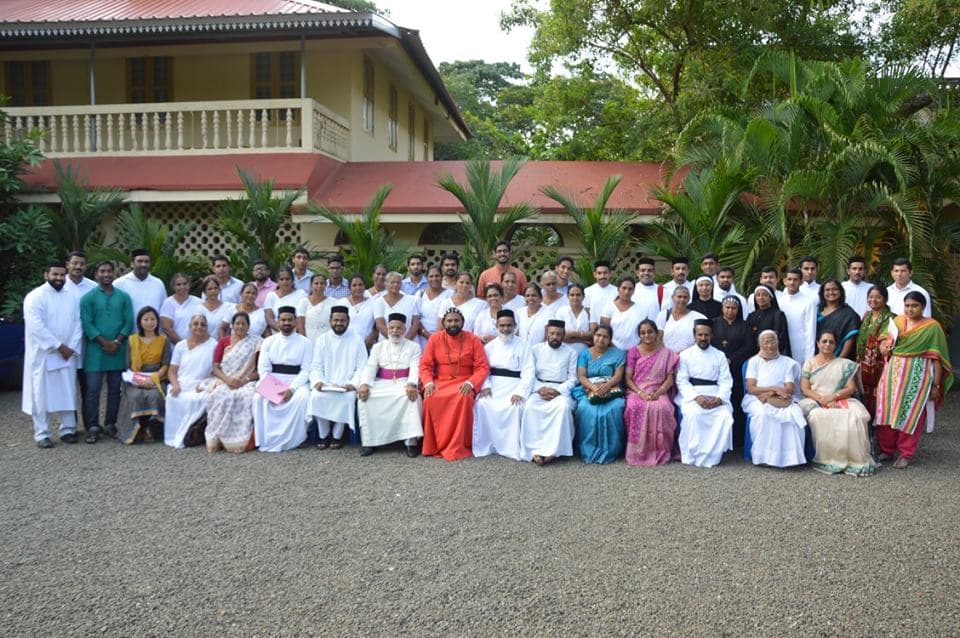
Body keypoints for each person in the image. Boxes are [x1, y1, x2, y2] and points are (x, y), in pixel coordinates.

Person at [873, 291, 953, 468]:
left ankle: (905, 453)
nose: (910, 309)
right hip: (892, 374)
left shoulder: (932, 327)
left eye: (914, 306)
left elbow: (937, 358)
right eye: (907, 305)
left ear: (923, 307)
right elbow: (884, 340)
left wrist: (936, 385)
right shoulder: (897, 321)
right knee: (886, 410)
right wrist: (883, 347)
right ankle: (887, 449)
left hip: (917, 376)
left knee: (911, 412)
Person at [799, 331, 878, 476]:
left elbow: (850, 388)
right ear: (818, 344)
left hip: (840, 398)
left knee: (858, 415)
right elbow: (804, 389)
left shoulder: (844, 364)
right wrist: (822, 399)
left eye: (831, 342)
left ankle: (855, 459)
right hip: (815, 399)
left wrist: (833, 397)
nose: (827, 344)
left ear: (836, 345)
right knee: (818, 415)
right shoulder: (809, 363)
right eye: (824, 341)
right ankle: (827, 459)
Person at [22, 261, 82, 448]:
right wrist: (58, 346)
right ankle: (42, 433)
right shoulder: (35, 296)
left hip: (67, 354)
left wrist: (71, 347)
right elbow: (36, 326)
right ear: (46, 275)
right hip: (44, 355)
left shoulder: (71, 296)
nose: (59, 278)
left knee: (68, 391)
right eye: (55, 274)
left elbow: (78, 323)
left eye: (62, 275)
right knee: (41, 395)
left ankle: (68, 430)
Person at [420, 307, 490, 461]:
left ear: (462, 322)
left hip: (465, 380)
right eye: (449, 321)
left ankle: (458, 445)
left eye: (456, 320)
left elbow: (482, 367)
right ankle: (433, 445)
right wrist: (428, 383)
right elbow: (425, 366)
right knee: (430, 398)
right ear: (444, 323)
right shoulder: (434, 339)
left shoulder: (473, 339)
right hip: (441, 381)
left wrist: (471, 383)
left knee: (463, 398)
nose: (453, 324)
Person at [80, 261, 134, 443]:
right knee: (93, 390)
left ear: (114, 274)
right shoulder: (88, 298)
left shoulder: (124, 297)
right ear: (96, 275)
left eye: (109, 271)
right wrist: (104, 342)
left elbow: (129, 321)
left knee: (115, 390)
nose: (106, 274)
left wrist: (117, 341)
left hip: (118, 349)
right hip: (96, 351)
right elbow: (87, 323)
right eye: (102, 271)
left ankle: (111, 423)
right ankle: (92, 426)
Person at [357, 313, 423, 457]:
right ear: (387, 329)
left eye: (398, 328)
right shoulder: (378, 347)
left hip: (404, 382)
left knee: (412, 398)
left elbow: (415, 367)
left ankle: (410, 442)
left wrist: (412, 384)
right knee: (365, 398)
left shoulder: (414, 346)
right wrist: (364, 384)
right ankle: (370, 442)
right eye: (391, 327)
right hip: (381, 382)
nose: (394, 331)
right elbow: (370, 367)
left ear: (404, 330)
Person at [473, 309, 534, 461]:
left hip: (515, 385)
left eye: (509, 325)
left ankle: (511, 448)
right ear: (496, 326)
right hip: (493, 384)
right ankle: (488, 445)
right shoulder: (489, 347)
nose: (505, 329)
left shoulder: (524, 345)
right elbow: (483, 369)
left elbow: (529, 371)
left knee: (516, 407)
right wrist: (485, 386)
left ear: (515, 326)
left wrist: (520, 392)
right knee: (482, 403)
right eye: (502, 326)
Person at [253, 306, 313, 452]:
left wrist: (291, 389)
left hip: (296, 381)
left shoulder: (306, 342)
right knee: (258, 398)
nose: (286, 323)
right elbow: (263, 369)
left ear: (295, 322)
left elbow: (306, 370)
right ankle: (265, 439)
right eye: (283, 320)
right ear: (278, 321)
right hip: (272, 381)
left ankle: (298, 439)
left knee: (303, 398)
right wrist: (274, 389)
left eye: (290, 320)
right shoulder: (268, 341)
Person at [742, 330, 807, 468]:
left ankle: (790, 458)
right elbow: (751, 388)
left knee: (793, 414)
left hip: (781, 398)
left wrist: (772, 393)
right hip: (756, 398)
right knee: (763, 414)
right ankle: (764, 457)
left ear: (777, 343)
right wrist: (774, 388)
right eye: (766, 342)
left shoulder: (787, 362)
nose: (770, 346)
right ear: (760, 344)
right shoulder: (754, 361)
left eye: (773, 342)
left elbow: (789, 388)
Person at [675, 320, 734, 467]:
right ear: (694, 335)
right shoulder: (685, 355)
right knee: (694, 414)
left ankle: (713, 455)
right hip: (692, 395)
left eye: (706, 335)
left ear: (712, 335)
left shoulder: (720, 355)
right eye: (700, 335)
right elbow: (682, 381)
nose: (703, 338)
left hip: (715, 394)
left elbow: (726, 381)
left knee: (724, 415)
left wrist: (719, 399)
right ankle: (694, 453)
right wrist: (696, 397)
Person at [308, 306, 368, 449]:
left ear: (348, 321)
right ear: (330, 320)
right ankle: (323, 434)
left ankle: (337, 435)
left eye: (342, 320)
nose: (339, 323)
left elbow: (362, 366)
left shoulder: (357, 339)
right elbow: (316, 365)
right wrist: (318, 381)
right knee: (316, 396)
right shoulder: (322, 339)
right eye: (335, 320)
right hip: (326, 383)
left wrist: (353, 384)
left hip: (347, 385)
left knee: (347, 398)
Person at [521, 319, 577, 465]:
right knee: (530, 407)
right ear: (547, 333)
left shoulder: (571, 352)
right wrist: (540, 389)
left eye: (558, 334)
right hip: (539, 389)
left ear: (563, 335)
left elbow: (573, 378)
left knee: (563, 408)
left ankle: (555, 450)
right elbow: (529, 374)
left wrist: (557, 390)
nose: (555, 337)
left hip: (561, 391)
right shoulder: (536, 349)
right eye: (552, 333)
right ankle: (534, 449)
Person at [624, 319, 680, 466]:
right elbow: (628, 378)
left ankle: (661, 449)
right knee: (634, 407)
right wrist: (640, 393)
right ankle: (638, 452)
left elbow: (670, 379)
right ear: (639, 335)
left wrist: (659, 392)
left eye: (650, 332)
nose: (646, 335)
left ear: (656, 333)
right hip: (637, 390)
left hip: (659, 390)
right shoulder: (634, 352)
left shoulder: (666, 353)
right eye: (642, 333)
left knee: (664, 408)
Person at [204, 311, 261, 453]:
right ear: (232, 325)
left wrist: (244, 380)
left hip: (247, 381)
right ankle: (217, 438)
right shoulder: (224, 342)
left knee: (245, 397)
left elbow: (259, 370)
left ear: (248, 326)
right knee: (218, 396)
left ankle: (237, 440)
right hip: (225, 380)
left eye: (243, 324)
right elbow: (216, 367)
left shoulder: (256, 343)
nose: (240, 326)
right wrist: (227, 379)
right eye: (237, 323)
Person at [572, 324, 626, 464]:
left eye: (605, 336)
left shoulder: (618, 354)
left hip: (611, 389)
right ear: (593, 336)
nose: (601, 339)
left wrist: (607, 386)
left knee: (616, 407)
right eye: (598, 335)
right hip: (588, 389)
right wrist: (594, 388)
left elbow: (618, 376)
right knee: (586, 408)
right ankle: (588, 449)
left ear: (610, 339)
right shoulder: (584, 354)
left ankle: (612, 450)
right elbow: (582, 376)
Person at [116, 306, 171, 445]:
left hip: (157, 377)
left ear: (157, 321)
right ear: (140, 322)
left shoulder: (163, 340)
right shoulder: (132, 340)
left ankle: (151, 429)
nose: (149, 322)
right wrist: (139, 380)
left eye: (153, 319)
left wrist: (154, 378)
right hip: (136, 377)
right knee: (136, 395)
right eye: (146, 319)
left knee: (155, 395)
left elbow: (166, 364)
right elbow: (129, 365)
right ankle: (137, 429)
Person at [163, 314, 216, 448]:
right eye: (195, 324)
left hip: (200, 385)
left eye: (203, 324)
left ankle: (192, 433)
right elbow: (172, 370)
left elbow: (215, 372)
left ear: (207, 327)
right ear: (190, 326)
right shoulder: (180, 346)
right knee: (173, 396)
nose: (199, 327)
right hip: (181, 383)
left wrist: (204, 385)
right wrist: (175, 384)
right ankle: (174, 435)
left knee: (199, 399)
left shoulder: (213, 345)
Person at [711, 296, 755, 447]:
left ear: (738, 309)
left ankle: (736, 439)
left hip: (736, 369)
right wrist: (719, 359)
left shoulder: (745, 326)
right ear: (722, 308)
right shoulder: (713, 323)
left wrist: (731, 359)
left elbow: (749, 347)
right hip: (715, 369)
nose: (730, 311)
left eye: (733, 308)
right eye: (727, 307)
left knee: (736, 400)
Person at [65, 251, 97, 422]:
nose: (78, 267)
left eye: (81, 264)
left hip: (88, 346)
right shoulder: (60, 286)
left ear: (86, 266)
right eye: (74, 263)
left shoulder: (93, 287)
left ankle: (90, 424)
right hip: (66, 347)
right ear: (67, 265)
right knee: (67, 388)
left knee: (89, 388)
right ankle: (70, 426)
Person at [855, 285, 895, 417]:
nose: (873, 300)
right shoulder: (867, 316)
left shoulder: (892, 318)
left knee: (879, 394)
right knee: (862, 392)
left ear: (885, 299)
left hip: (879, 364)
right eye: (871, 297)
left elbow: (888, 339)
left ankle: (878, 421)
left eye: (878, 297)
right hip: (862, 362)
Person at [599, 277, 650, 351]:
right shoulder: (609, 307)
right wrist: (616, 350)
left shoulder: (642, 309)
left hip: (636, 351)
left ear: (633, 291)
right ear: (618, 289)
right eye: (624, 288)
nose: (626, 292)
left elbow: (645, 332)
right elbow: (604, 331)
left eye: (630, 289)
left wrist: (634, 350)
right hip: (611, 350)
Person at [114, 248, 166, 322]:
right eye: (140, 261)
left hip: (153, 328)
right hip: (128, 329)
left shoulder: (158, 283)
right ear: (132, 264)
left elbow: (164, 310)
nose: (143, 264)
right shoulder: (119, 284)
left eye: (146, 261)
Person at [779, 268, 817, 366]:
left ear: (801, 281)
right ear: (784, 281)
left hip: (800, 348)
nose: (792, 282)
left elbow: (810, 331)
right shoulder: (779, 300)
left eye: (795, 280)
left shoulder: (808, 302)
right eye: (789, 279)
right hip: (781, 347)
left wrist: (809, 359)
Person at [816, 279, 861, 359]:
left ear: (840, 292)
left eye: (834, 289)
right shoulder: (817, 311)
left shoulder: (849, 314)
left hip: (839, 359)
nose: (831, 292)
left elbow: (850, 338)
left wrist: (839, 360)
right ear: (822, 293)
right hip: (818, 357)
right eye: (827, 290)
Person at [373, 272, 421, 344]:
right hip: (387, 343)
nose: (395, 285)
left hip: (409, 342)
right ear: (386, 284)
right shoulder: (379, 302)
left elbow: (415, 323)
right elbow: (380, 325)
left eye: (398, 282)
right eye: (392, 282)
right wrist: (394, 341)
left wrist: (404, 342)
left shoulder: (410, 300)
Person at [656, 286, 706, 353]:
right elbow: (658, 338)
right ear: (673, 297)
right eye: (679, 296)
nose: (682, 300)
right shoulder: (663, 315)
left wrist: (683, 354)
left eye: (685, 297)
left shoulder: (698, 317)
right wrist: (669, 355)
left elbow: (701, 339)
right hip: (666, 356)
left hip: (689, 356)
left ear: (689, 299)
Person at [746, 285, 790, 356]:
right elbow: (748, 338)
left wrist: (769, 351)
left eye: (764, 295)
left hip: (774, 355)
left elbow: (782, 338)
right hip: (755, 356)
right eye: (758, 295)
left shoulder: (778, 315)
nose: (761, 297)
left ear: (770, 297)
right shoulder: (751, 316)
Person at [159, 273, 202, 345]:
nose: (182, 287)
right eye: (178, 284)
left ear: (189, 285)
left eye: (185, 284)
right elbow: (167, 328)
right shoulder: (168, 303)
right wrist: (182, 345)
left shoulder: (198, 302)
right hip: (175, 346)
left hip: (196, 345)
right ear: (173, 286)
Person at [263, 266, 307, 332]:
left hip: (297, 333)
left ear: (292, 280)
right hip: (277, 334)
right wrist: (282, 331)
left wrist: (292, 332)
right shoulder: (271, 296)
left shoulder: (301, 294)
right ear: (277, 281)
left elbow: (304, 315)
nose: (285, 282)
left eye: (287, 279)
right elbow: (269, 318)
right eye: (282, 279)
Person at [417, 266, 453, 345]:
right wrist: (427, 335)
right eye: (431, 276)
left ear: (442, 276)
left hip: (443, 338)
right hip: (422, 338)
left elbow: (452, 317)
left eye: (437, 276)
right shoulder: (420, 294)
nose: (434, 279)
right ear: (427, 278)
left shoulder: (450, 294)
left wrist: (436, 337)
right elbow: (416, 318)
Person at [298, 273, 336, 341]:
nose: (319, 286)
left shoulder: (333, 302)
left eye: (322, 283)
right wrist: (305, 342)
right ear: (311, 285)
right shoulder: (303, 302)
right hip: (309, 340)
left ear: (326, 285)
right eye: (316, 283)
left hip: (327, 340)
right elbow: (301, 326)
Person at [344, 274, 379, 350]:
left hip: (367, 345)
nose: (358, 288)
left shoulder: (373, 303)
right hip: (346, 344)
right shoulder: (342, 303)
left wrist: (372, 336)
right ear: (349, 288)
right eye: (354, 285)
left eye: (360, 285)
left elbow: (378, 323)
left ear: (364, 286)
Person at [555, 283, 591, 355]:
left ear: (583, 296)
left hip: (584, 353)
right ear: (568, 296)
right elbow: (561, 336)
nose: (575, 297)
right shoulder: (561, 312)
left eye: (578, 295)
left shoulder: (589, 312)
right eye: (572, 295)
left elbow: (592, 335)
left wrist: (571, 334)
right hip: (564, 353)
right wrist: (583, 340)